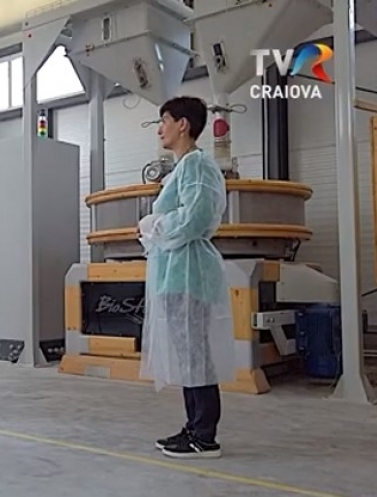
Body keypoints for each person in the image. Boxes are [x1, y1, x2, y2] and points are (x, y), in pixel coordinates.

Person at [137, 96, 235, 459]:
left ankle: (204, 435)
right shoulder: (183, 168)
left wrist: (155, 224)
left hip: (189, 274)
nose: (159, 129)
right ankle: (194, 426)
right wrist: (155, 228)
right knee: (188, 354)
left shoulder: (196, 164)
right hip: (176, 274)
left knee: (195, 354)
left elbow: (197, 217)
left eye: (164, 120)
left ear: (183, 124)